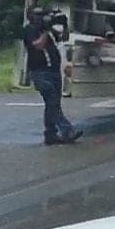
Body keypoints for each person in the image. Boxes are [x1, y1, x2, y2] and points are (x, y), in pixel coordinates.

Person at [23, 7, 82, 146]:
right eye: (38, 15)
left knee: (53, 104)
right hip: (40, 72)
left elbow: (63, 39)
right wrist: (45, 31)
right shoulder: (29, 29)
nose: (41, 18)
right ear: (31, 16)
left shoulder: (49, 31)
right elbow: (38, 45)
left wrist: (64, 25)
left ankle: (50, 134)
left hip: (54, 71)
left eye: (42, 15)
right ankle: (67, 131)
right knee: (52, 101)